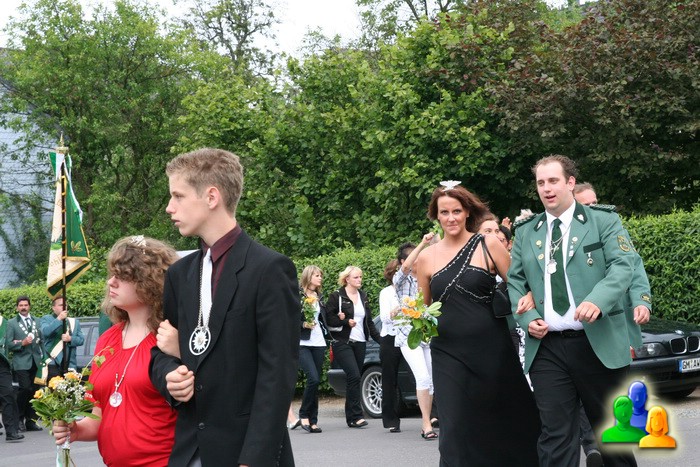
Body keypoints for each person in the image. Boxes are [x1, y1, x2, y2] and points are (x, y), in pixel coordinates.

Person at [149, 148, 300, 467]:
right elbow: (160, 353)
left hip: (245, 452)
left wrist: (253, 460)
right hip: (190, 451)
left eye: (178, 196)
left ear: (211, 197)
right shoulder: (180, 274)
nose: (169, 207)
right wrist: (169, 375)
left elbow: (277, 374)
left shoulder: (269, 269)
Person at [509, 155, 638, 467]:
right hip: (547, 348)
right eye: (541, 183)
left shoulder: (603, 221)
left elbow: (624, 266)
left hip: (597, 343)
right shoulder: (526, 231)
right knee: (555, 436)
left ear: (570, 182)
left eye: (553, 181)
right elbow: (515, 281)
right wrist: (527, 318)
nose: (546, 188)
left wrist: (598, 300)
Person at [415, 182, 540, 465]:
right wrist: (411, 316)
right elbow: (424, 308)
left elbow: (519, 286)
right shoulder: (425, 258)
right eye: (444, 212)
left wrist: (531, 306)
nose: (451, 218)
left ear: (467, 212)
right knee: (455, 427)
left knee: (502, 419)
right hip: (448, 353)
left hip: (492, 349)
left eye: (456, 211)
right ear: (436, 215)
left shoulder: (488, 243)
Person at [52, 236, 179, 466]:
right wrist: (77, 430)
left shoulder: (170, 337)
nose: (111, 282)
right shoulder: (107, 339)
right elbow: (101, 414)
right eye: (112, 274)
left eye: (122, 276)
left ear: (149, 282)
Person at [573, 181, 652, 465]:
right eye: (587, 204)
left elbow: (633, 265)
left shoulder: (610, 226)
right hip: (571, 334)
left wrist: (641, 300)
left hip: (609, 329)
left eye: (595, 202)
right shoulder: (560, 233)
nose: (594, 208)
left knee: (611, 406)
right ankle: (593, 446)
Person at [391, 235, 439, 439]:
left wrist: (436, 242)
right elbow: (405, 267)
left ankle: (429, 420)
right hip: (407, 336)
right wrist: (423, 244)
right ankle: (426, 424)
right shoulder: (401, 280)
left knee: (432, 381)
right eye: (415, 257)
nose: (420, 259)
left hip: (426, 335)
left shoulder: (428, 278)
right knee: (423, 378)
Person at [325, 266, 380, 428]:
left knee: (354, 378)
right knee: (354, 375)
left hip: (360, 342)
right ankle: (356, 415)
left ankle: (352, 417)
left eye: (360, 277)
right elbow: (328, 320)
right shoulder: (336, 296)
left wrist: (381, 341)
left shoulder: (363, 296)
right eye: (356, 277)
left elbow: (369, 322)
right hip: (342, 342)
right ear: (347, 279)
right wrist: (344, 321)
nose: (359, 280)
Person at [5, 296, 44, 432]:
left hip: (36, 361)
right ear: (17, 307)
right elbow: (8, 344)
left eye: (25, 305)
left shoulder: (37, 321)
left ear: (29, 306)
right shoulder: (11, 323)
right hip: (21, 362)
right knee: (25, 389)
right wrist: (22, 343)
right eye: (21, 305)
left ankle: (31, 421)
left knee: (35, 391)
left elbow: (41, 340)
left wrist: (44, 357)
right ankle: (19, 418)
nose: (23, 307)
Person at [296, 265, 328, 433]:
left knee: (315, 383)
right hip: (303, 342)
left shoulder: (319, 296)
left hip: (319, 342)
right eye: (317, 275)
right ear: (308, 276)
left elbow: (324, 318)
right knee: (313, 379)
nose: (320, 278)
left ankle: (313, 420)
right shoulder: (297, 295)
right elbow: (288, 317)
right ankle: (303, 414)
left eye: (320, 275)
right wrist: (303, 324)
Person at [379, 258, 404, 434]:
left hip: (409, 336)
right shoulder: (386, 293)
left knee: (423, 374)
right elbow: (384, 318)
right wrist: (396, 310)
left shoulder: (412, 289)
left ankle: (433, 416)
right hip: (390, 338)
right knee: (389, 379)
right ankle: (391, 420)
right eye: (397, 271)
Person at [40, 295, 85, 379]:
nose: (64, 307)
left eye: (65, 305)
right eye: (61, 305)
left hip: (70, 363)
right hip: (52, 362)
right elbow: (45, 332)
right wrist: (59, 319)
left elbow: (81, 340)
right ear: (53, 308)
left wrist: (70, 339)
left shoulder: (74, 322)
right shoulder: (46, 319)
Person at [0, 310, 24, 442]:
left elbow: (10, 342)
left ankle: (11, 431)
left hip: (2, 364)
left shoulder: (5, 323)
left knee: (8, 394)